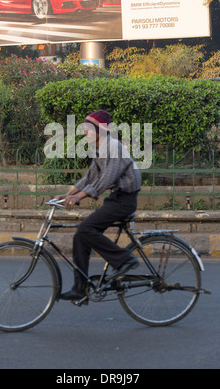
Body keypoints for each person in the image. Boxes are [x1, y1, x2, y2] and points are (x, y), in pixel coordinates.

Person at [57, 109, 142, 302]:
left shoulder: (115, 147)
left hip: (124, 201)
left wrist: (79, 197)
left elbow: (104, 180)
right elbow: (90, 177)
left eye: (88, 128)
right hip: (116, 199)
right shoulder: (100, 149)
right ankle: (80, 288)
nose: (85, 132)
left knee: (86, 228)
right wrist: (67, 194)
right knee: (81, 235)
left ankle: (125, 260)